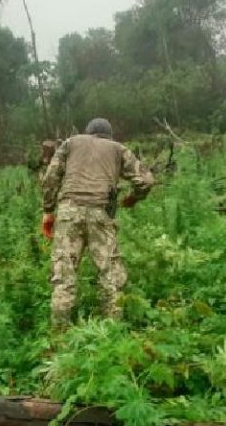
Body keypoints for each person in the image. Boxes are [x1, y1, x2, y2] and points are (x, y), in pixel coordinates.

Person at [41, 118, 154, 330]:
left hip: (68, 213)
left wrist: (48, 211)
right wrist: (134, 198)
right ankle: (111, 333)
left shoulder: (70, 143)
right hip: (101, 214)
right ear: (108, 136)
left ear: (88, 132)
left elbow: (50, 178)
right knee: (110, 275)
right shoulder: (118, 149)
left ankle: (59, 335)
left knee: (64, 276)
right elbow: (146, 180)